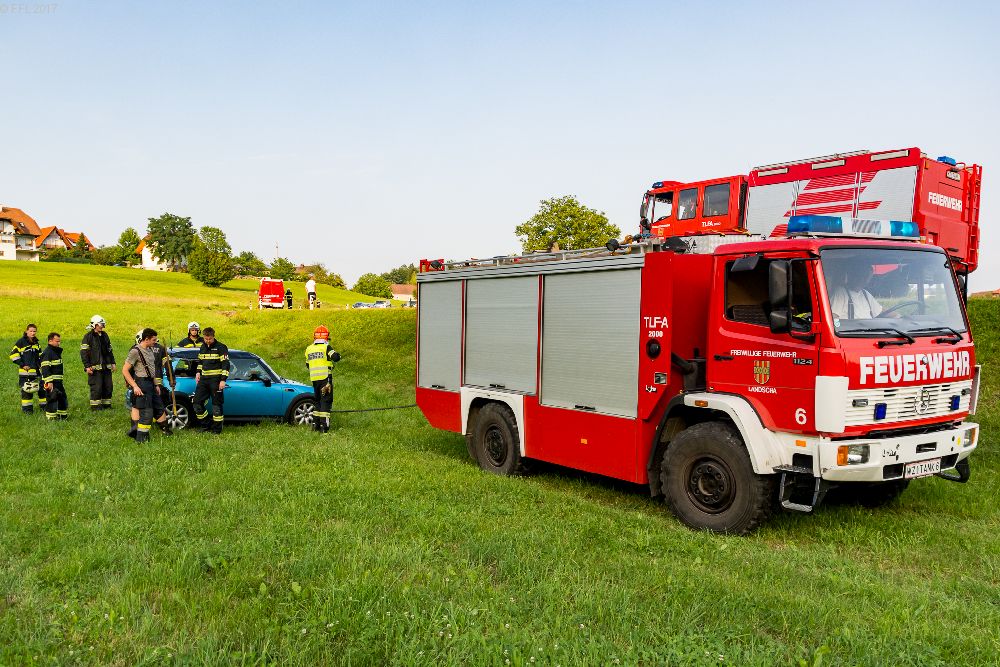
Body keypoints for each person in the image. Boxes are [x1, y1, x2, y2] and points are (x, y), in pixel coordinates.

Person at [122, 328, 171, 442]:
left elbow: (151, 371)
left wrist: (156, 385)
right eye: (154, 340)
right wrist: (135, 386)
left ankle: (166, 431)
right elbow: (125, 370)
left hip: (151, 384)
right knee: (147, 413)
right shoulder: (135, 351)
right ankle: (141, 438)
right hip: (141, 383)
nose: (155, 342)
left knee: (159, 407)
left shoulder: (150, 350)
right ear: (146, 339)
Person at [192, 326, 229, 434]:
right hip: (203, 380)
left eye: (210, 339)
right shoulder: (202, 347)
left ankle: (217, 430)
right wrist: (198, 372)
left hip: (216, 380)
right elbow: (200, 362)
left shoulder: (221, 347)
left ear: (213, 337)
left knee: (216, 406)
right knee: (196, 403)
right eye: (206, 339)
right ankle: (206, 425)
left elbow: (226, 364)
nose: (208, 341)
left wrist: (223, 380)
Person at [304, 325, 341, 433]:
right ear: (326, 336)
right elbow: (335, 358)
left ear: (314, 336)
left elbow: (308, 364)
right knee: (326, 401)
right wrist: (338, 356)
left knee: (318, 401)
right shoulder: (326, 347)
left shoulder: (309, 349)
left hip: (314, 379)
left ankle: (315, 425)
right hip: (325, 379)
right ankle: (324, 427)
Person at [81, 315, 116, 410]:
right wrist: (87, 366)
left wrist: (113, 363)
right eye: (101, 324)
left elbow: (109, 350)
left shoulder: (105, 335)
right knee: (97, 387)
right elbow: (83, 353)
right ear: (94, 325)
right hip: (94, 369)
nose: (102, 326)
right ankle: (96, 407)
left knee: (108, 386)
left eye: (103, 324)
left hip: (106, 367)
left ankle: (106, 405)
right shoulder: (88, 337)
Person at [9, 323, 45, 414]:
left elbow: (41, 356)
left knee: (42, 390)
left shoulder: (36, 343)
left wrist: (42, 366)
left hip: (37, 373)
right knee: (27, 393)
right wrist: (22, 365)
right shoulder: (21, 342)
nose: (33, 333)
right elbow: (13, 355)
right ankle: (27, 412)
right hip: (25, 374)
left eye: (34, 331)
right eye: (31, 331)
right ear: (26, 331)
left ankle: (44, 408)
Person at [40, 332, 67, 421]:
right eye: (57, 341)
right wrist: (49, 382)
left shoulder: (55, 352)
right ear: (50, 341)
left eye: (59, 341)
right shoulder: (48, 353)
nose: (59, 343)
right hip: (52, 382)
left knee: (62, 398)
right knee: (52, 399)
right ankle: (51, 419)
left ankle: (62, 417)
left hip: (58, 382)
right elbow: (45, 368)